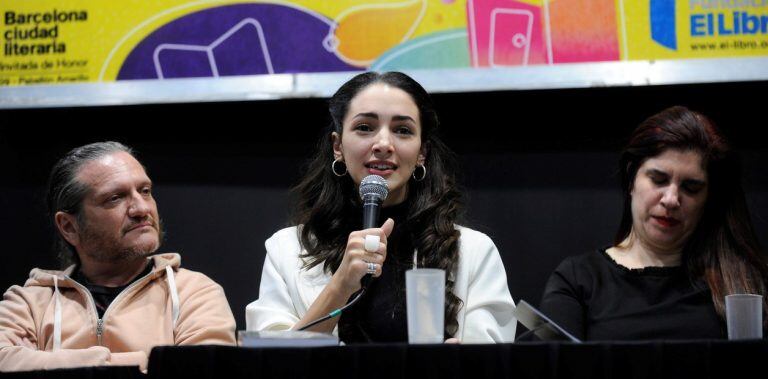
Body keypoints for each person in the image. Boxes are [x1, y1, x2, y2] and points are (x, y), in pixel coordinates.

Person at [246, 72, 516, 343]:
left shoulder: (473, 252)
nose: (383, 145)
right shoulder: (287, 249)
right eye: (365, 127)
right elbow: (270, 363)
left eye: (402, 130)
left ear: (422, 152)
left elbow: (495, 365)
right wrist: (340, 286)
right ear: (337, 146)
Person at [0, 142, 236, 372]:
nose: (142, 209)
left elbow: (206, 373)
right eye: (115, 198)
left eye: (145, 191)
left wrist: (46, 362)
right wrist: (147, 363)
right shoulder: (30, 303)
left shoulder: (195, 294)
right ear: (69, 226)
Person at [539, 106, 768, 341]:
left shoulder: (742, 282)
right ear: (631, 179)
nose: (671, 199)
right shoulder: (579, 279)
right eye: (658, 180)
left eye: (691, 188)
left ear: (708, 198)